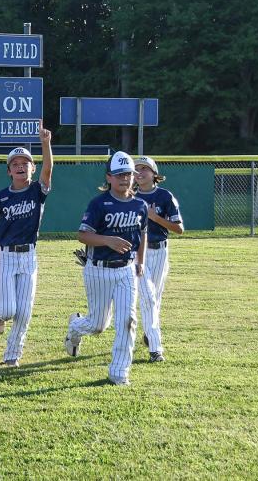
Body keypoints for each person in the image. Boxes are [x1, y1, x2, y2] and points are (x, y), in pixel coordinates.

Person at [0, 122, 53, 367]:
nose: (20, 166)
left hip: (29, 256)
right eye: (15, 164)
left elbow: (48, 171)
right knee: (8, 310)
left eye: (25, 163)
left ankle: (12, 355)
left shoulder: (37, 191)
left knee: (24, 312)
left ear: (32, 168)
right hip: (6, 256)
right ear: (8, 171)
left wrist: (45, 144)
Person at [64, 151, 148, 386]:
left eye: (129, 174)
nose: (125, 178)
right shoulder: (99, 204)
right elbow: (82, 235)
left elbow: (142, 234)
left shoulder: (140, 205)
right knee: (98, 325)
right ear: (109, 177)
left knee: (128, 321)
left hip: (126, 270)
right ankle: (75, 327)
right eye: (120, 174)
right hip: (99, 269)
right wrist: (107, 240)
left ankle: (119, 372)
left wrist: (140, 261)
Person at [134, 156, 184, 363]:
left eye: (145, 168)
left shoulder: (165, 196)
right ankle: (156, 348)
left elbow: (179, 229)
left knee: (155, 299)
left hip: (160, 252)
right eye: (136, 169)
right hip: (139, 253)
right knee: (148, 297)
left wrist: (155, 218)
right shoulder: (129, 197)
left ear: (154, 174)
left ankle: (149, 331)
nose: (140, 172)